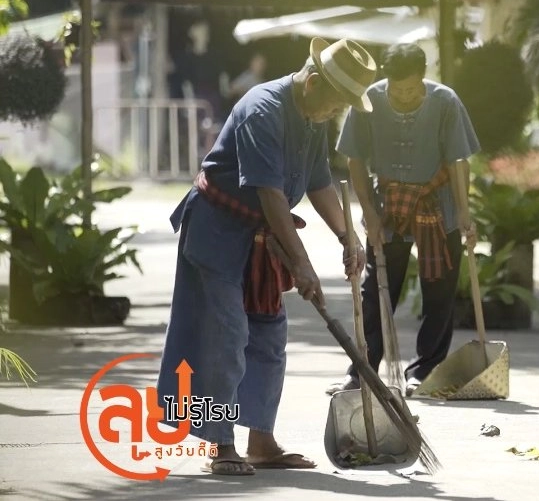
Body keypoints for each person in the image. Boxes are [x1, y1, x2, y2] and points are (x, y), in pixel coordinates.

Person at [155, 38, 377, 476]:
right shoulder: (263, 109)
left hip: (261, 241)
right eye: (335, 105)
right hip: (218, 232)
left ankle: (261, 440)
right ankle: (220, 443)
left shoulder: (313, 117)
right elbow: (271, 196)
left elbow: (318, 184)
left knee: (270, 336)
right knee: (226, 335)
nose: (335, 115)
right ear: (313, 83)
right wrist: (303, 264)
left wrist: (347, 236)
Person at [327, 43, 480, 398]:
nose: (405, 96)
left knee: (439, 287)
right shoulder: (369, 101)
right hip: (389, 203)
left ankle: (425, 370)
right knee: (376, 291)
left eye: (412, 89)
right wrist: (370, 214)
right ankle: (362, 369)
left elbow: (459, 161)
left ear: (423, 77)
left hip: (436, 202)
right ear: (387, 81)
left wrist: (464, 214)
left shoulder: (445, 102)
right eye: (398, 90)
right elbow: (354, 161)